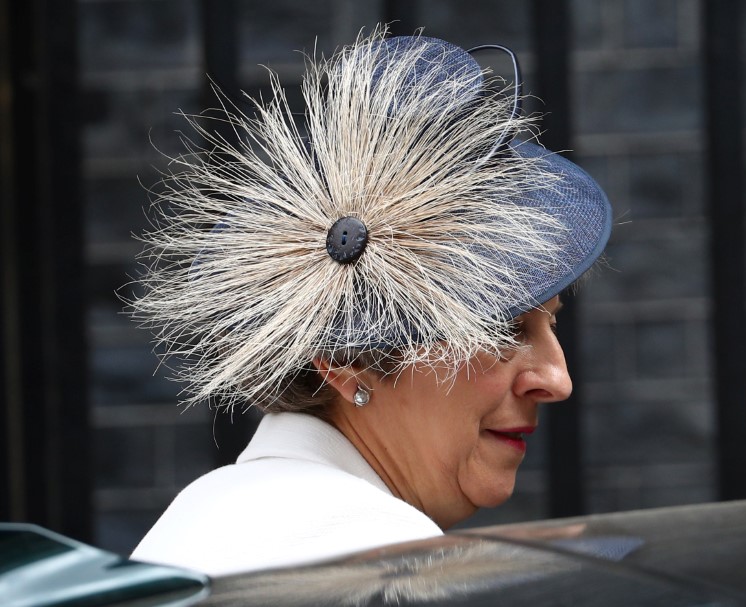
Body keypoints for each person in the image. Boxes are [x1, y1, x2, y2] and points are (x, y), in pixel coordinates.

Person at [128, 29, 612, 576]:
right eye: (503, 331)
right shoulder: (379, 557)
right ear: (347, 362)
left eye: (549, 323)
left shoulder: (208, 511)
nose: (556, 378)